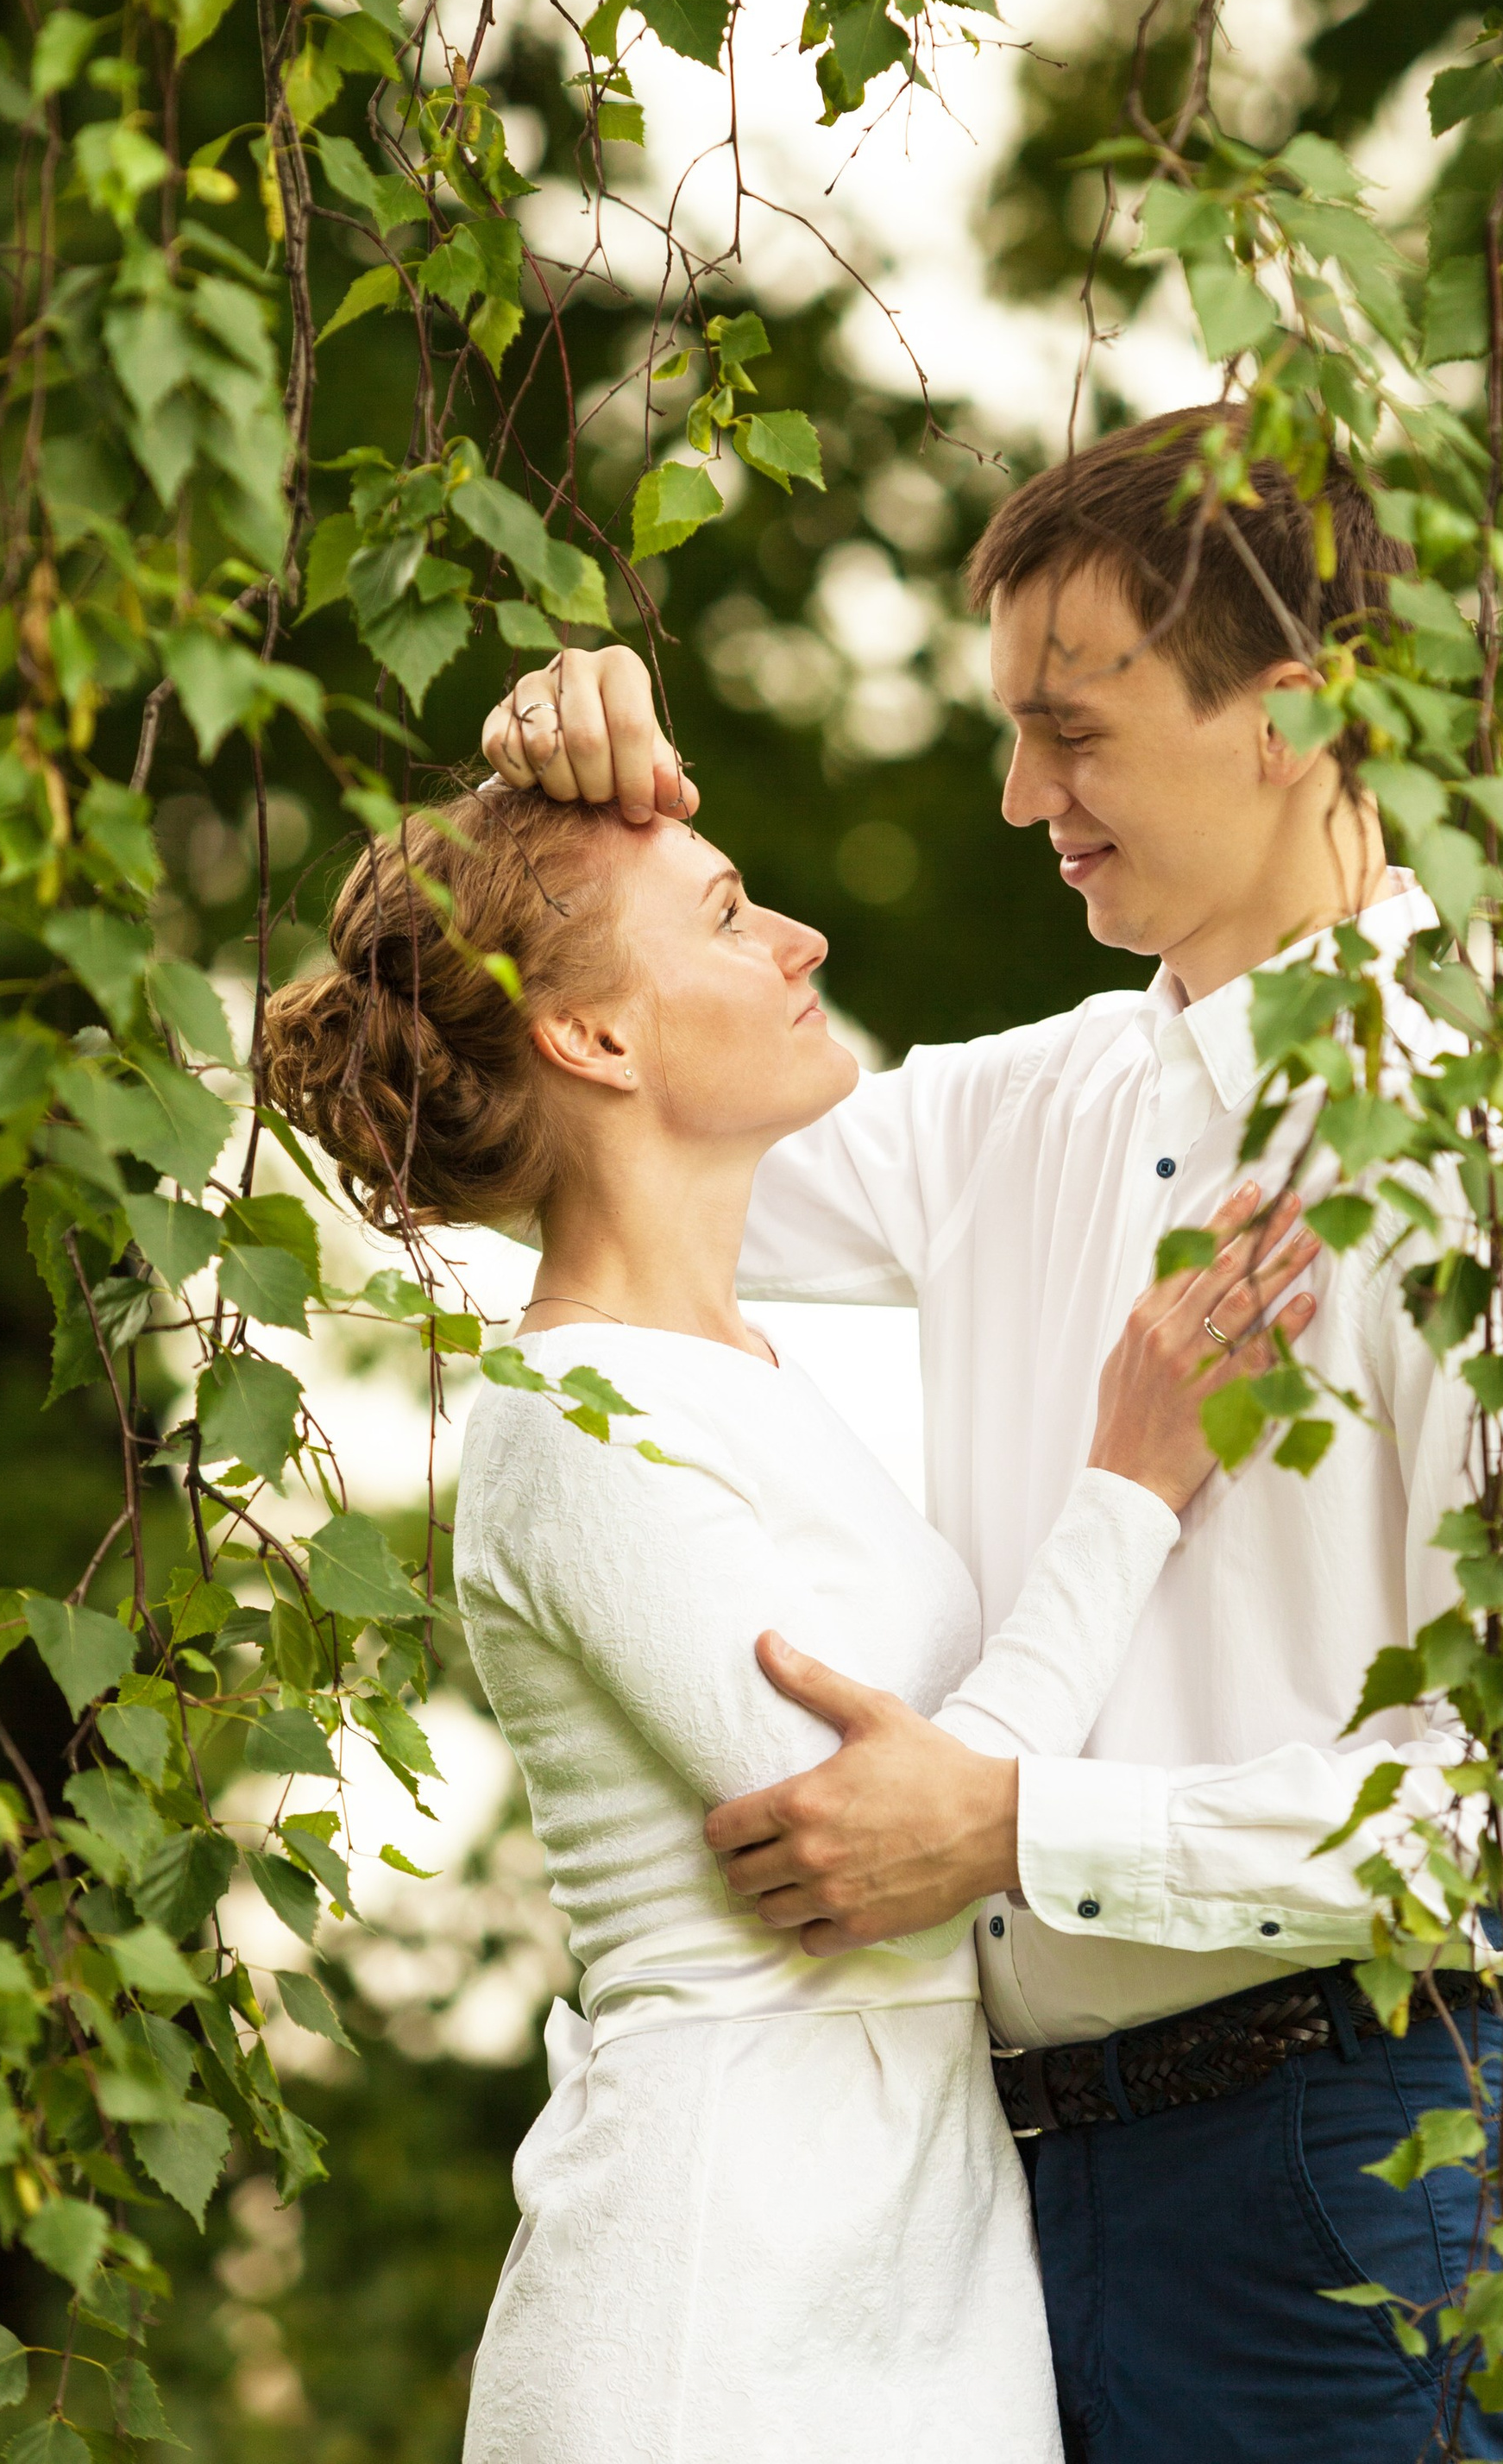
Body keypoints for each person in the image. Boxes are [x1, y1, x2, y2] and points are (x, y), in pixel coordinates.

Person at [480, 403, 1503, 2464]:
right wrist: (551, 790)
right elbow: (530, 1126)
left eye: (1070, 732)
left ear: (1295, 707)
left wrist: (1017, 1837)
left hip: (1351, 2186)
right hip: (980, 2240)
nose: (1020, 799)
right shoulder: (1002, 1116)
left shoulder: (1486, 1162)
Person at [263, 769, 1322, 2464]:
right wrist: (1126, 1489)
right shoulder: (569, 1422)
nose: (796, 937)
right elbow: (868, 1854)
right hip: (710, 2317)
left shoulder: (739, 1372)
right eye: (727, 911)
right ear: (593, 1040)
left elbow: (935, 1807)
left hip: (921, 2276)